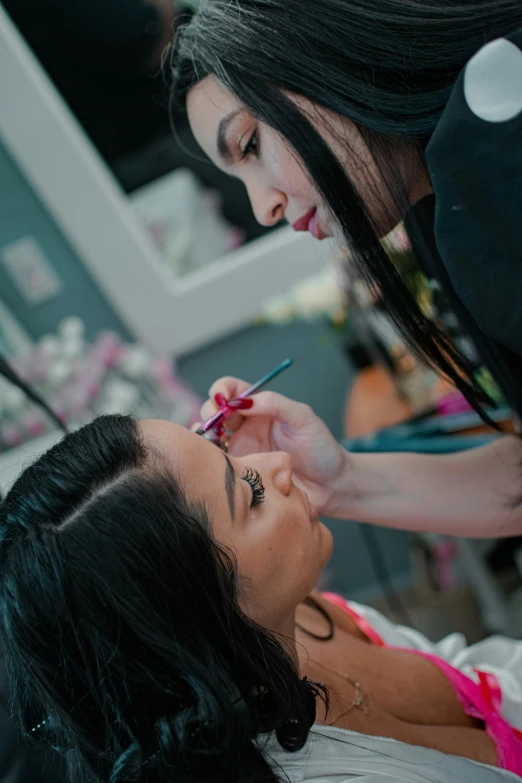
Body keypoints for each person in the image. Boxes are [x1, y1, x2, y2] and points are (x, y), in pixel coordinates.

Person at [0, 413, 521, 783]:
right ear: (197, 612)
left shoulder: (307, 617)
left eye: (224, 452)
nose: (278, 464)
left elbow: (483, 676)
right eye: (249, 492)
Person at [169, 0, 522, 539]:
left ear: (324, 58)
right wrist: (339, 479)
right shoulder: (450, 198)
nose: (264, 207)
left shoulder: (493, 167)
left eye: (250, 144)